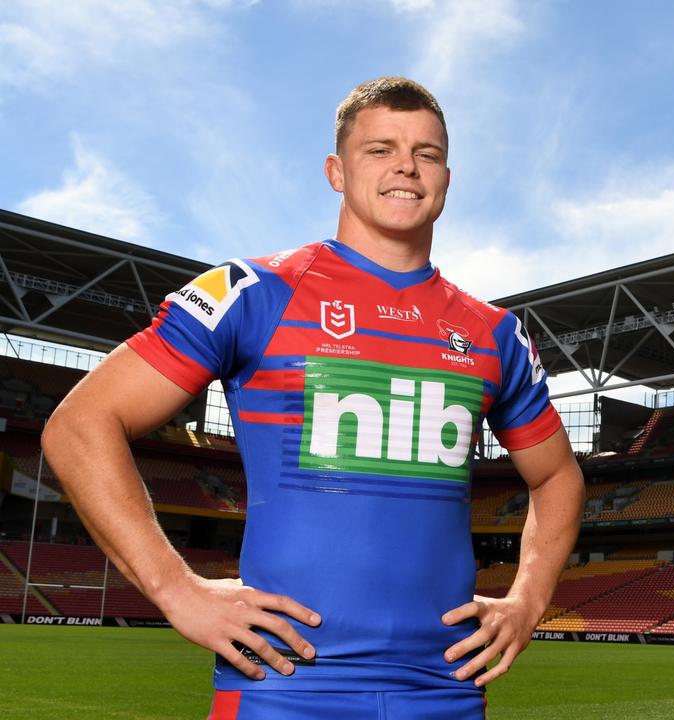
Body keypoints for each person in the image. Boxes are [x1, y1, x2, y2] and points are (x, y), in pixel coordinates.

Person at [42, 76, 585, 719]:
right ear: (336, 170)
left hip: (445, 692)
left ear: (446, 177)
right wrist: (173, 588)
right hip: (284, 686)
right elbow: (79, 425)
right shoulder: (255, 293)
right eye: (380, 149)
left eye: (427, 153)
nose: (406, 166)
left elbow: (557, 478)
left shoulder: (492, 333)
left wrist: (526, 600)